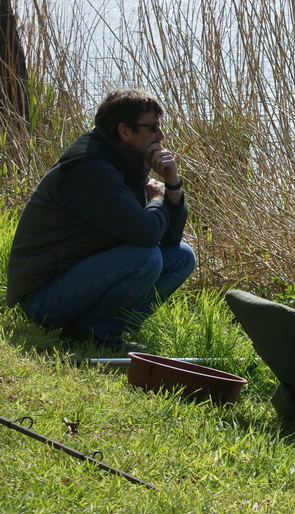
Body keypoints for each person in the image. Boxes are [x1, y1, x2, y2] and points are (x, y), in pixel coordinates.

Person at [5, 88, 196, 350]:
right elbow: (148, 234)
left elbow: (170, 238)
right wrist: (157, 198)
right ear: (124, 131)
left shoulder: (128, 158)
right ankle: (94, 334)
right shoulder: (91, 167)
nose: (160, 135)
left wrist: (172, 184)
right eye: (152, 127)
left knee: (181, 256)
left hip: (76, 278)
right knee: (145, 258)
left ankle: (105, 329)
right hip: (42, 299)